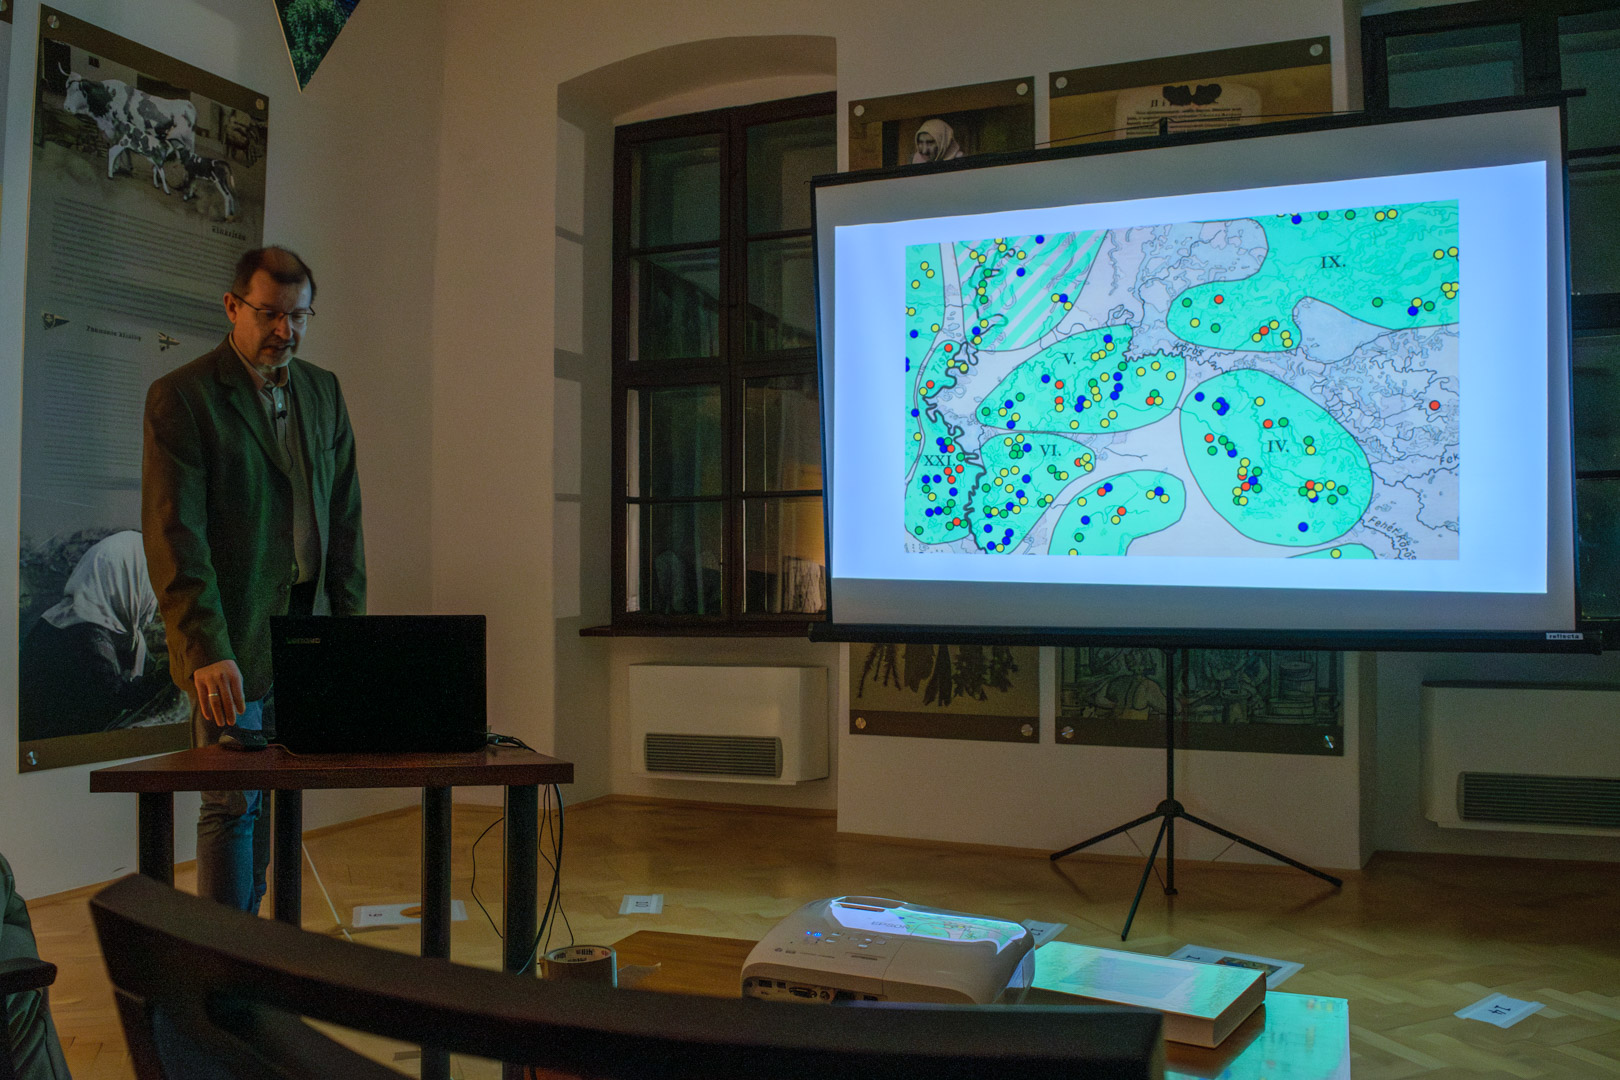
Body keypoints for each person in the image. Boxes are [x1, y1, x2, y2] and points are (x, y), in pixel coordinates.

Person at [141, 246, 365, 912]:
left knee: (281, 797)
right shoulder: (183, 397)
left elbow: (345, 519)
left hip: (308, 630)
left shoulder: (323, 390)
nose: (284, 331)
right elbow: (175, 536)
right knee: (231, 801)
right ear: (232, 307)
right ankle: (225, 955)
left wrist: (351, 635)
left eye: (299, 317)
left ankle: (267, 948)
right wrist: (206, 648)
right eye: (269, 314)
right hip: (230, 634)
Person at [17, 530, 170, 741]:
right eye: (149, 581)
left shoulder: (67, 620)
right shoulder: (83, 635)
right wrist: (174, 671)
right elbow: (114, 697)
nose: (153, 595)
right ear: (126, 578)